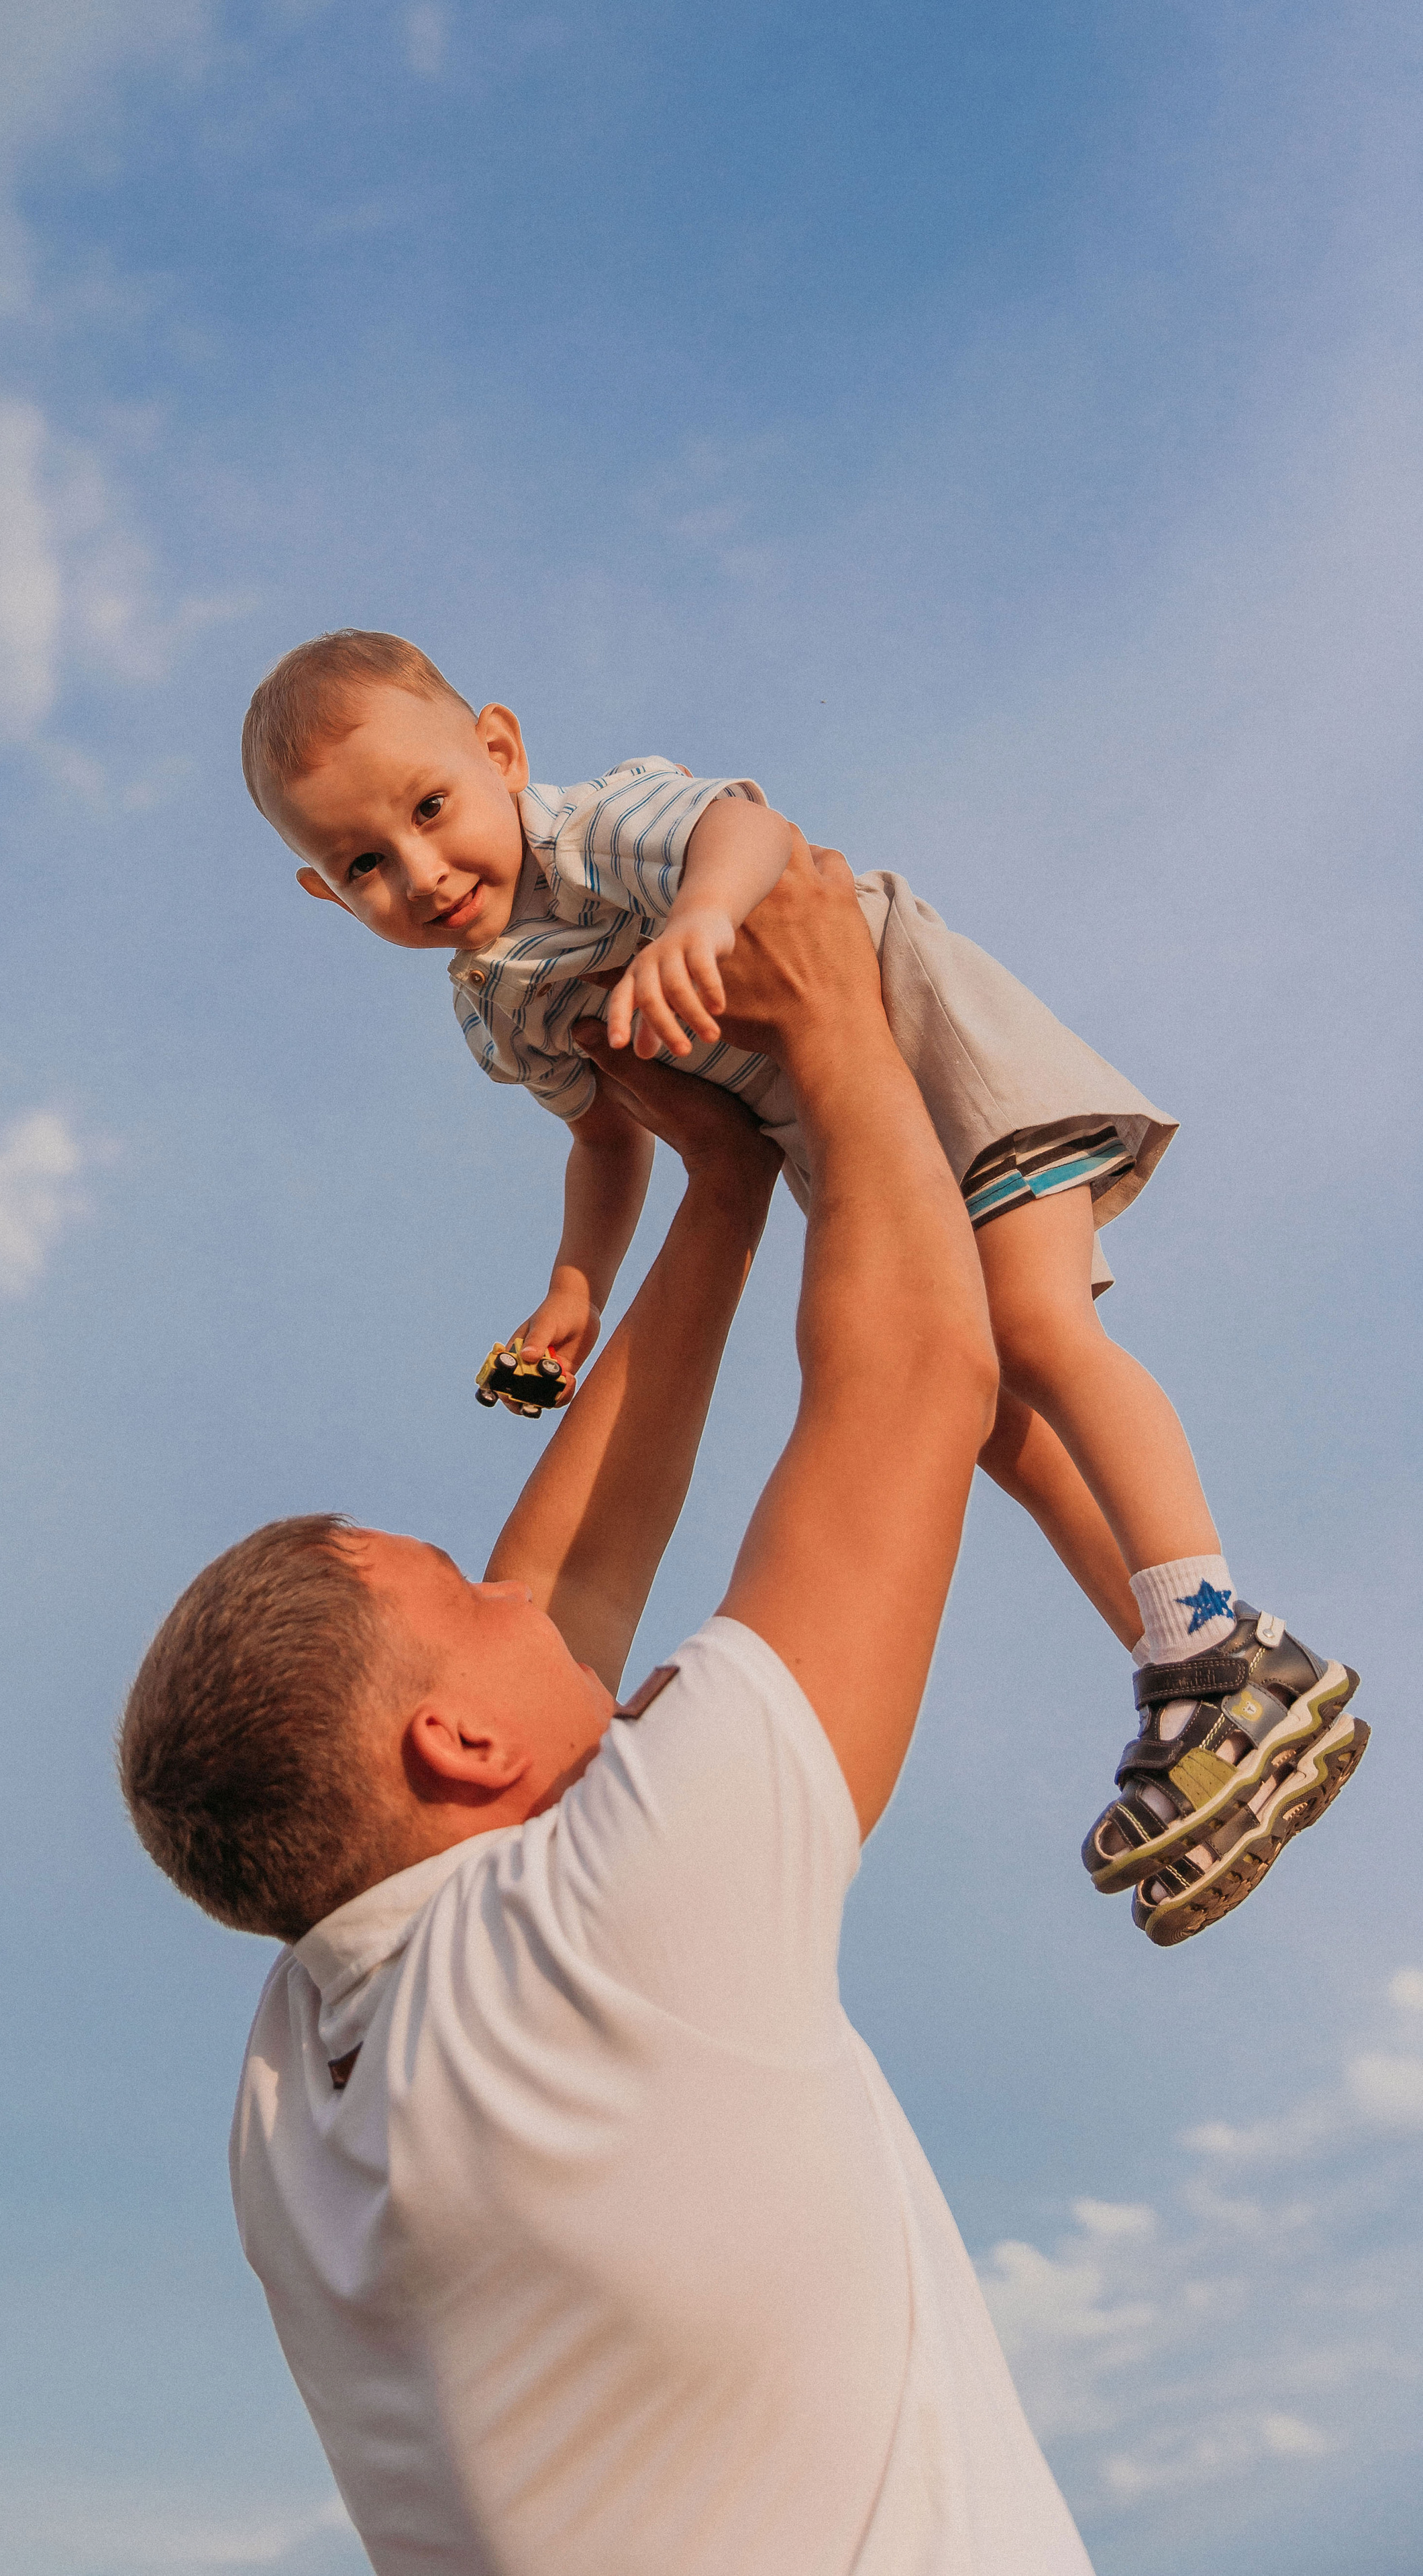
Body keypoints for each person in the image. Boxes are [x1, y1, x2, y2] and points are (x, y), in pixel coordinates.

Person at [121, 845, 1098, 2572]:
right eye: (459, 1581)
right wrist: (833, 1036)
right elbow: (916, 1377)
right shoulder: (616, 1937)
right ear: (458, 1748)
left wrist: (718, 1193)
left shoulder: (303, 2080)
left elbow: (556, 1605)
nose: (516, 1585)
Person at [235, 628, 1365, 1946]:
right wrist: (570, 1285)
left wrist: (706, 917)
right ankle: (1188, 1661)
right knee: (984, 1420)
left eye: (430, 810)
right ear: (322, 893)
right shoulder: (496, 1005)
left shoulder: (593, 832)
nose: (420, 872)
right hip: (844, 1149)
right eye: (363, 864)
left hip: (918, 1041)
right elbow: (606, 1136)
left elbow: (743, 827)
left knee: (1035, 1330)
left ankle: (1216, 1640)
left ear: (498, 751)